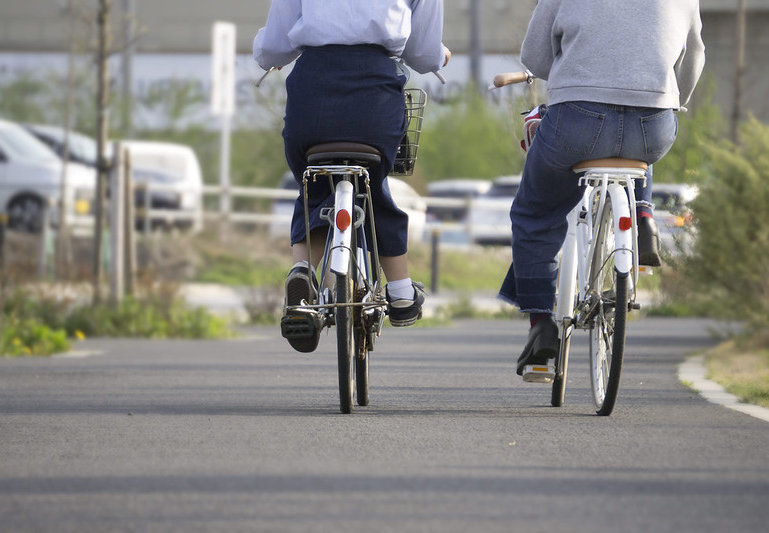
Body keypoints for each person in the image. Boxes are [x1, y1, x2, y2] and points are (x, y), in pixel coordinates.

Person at [500, 0, 705, 378]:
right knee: (637, 144)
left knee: (535, 214)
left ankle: (541, 324)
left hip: (577, 120)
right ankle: (643, 214)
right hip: (653, 126)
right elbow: (693, 57)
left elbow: (536, 57)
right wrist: (673, 100)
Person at [254, 0, 451, 352]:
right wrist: (439, 55)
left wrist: (266, 49)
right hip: (375, 97)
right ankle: (401, 291)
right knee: (373, 184)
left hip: (312, 96)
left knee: (314, 187)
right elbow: (422, 53)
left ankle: (302, 271)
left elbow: (274, 47)